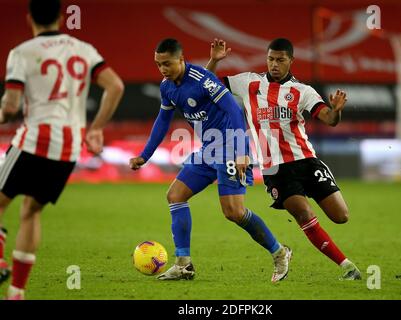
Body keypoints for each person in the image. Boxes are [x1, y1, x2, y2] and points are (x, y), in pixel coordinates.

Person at [129, 38, 291, 282]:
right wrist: (145, 155)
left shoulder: (202, 79)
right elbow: (162, 121)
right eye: (158, 64)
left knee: (234, 212)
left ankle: (279, 252)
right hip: (208, 149)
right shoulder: (167, 87)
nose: (162, 69)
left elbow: (234, 111)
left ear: (181, 60)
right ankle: (183, 264)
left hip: (229, 146)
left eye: (167, 63)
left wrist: (241, 152)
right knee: (175, 196)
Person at [206, 38, 361, 280]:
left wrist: (337, 110)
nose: (274, 64)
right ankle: (347, 266)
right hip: (275, 168)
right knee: (303, 214)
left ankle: (342, 262)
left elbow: (329, 119)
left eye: (280, 59)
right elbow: (209, 84)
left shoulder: (303, 91)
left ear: (291, 61)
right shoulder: (249, 81)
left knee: (341, 216)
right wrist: (215, 61)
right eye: (270, 59)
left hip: (306, 161)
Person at [0, 0, 124, 299]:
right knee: (31, 212)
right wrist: (95, 128)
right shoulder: (83, 48)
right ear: (60, 17)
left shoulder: (22, 53)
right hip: (68, 148)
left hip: (35, 140)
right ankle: (16, 292)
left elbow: (12, 105)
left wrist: (3, 111)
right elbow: (116, 86)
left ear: (30, 18)